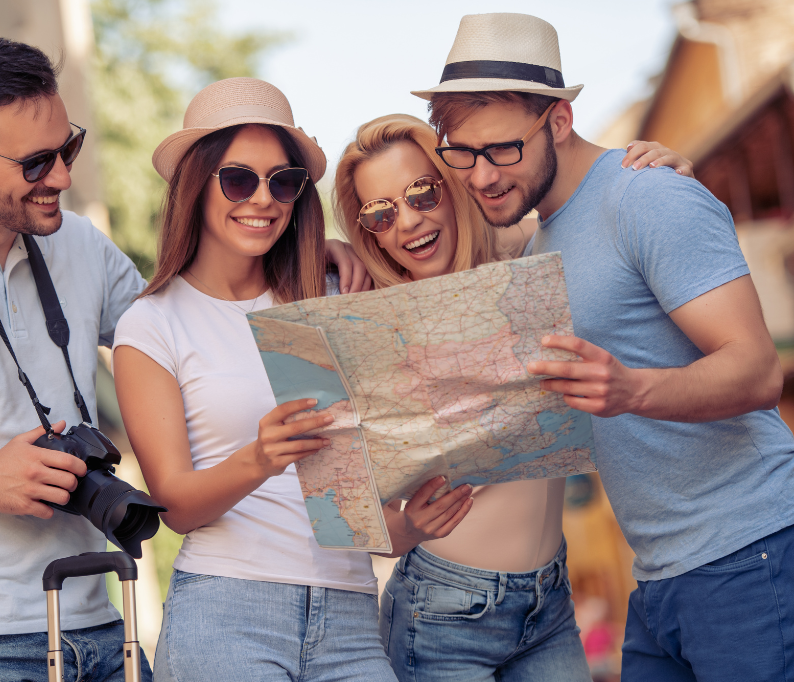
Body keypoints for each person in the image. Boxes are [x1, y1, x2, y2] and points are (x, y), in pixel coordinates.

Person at [0, 40, 368, 681]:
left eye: (68, 150)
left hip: (97, 619)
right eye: (35, 163)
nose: (61, 177)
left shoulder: (76, 243)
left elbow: (191, 328)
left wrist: (298, 244)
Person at [415, 12, 794, 682]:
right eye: (463, 152)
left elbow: (759, 370)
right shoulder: (539, 241)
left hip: (753, 551)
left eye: (502, 149)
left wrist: (633, 391)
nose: (481, 176)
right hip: (658, 579)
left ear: (559, 120)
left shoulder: (646, 196)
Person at [111, 77, 474, 682]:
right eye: (238, 178)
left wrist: (404, 529)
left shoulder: (333, 294)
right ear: (195, 184)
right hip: (226, 616)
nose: (263, 199)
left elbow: (472, 249)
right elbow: (173, 506)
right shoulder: (151, 325)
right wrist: (258, 457)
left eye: (283, 181)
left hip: (352, 614)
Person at [333, 113, 691, 682]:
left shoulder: (526, 261)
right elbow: (339, 500)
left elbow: (591, 206)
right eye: (380, 213)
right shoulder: (367, 321)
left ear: (452, 185)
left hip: (548, 599)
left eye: (421, 193)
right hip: (440, 608)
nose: (408, 221)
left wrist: (651, 172)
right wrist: (399, 532)